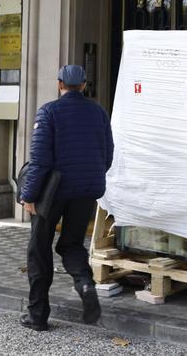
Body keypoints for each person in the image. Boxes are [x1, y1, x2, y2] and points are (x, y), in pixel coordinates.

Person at [20, 64, 115, 332]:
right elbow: (107, 156)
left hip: (52, 193)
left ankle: (37, 315)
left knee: (39, 250)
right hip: (86, 191)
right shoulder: (98, 113)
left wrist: (29, 196)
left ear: (60, 84)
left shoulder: (49, 111)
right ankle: (85, 284)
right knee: (72, 244)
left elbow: (40, 161)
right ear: (84, 85)